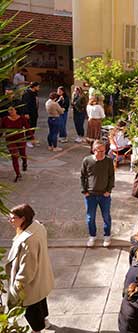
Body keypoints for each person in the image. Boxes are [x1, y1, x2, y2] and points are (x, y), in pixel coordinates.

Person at [6, 204, 54, 333]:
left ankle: (37, 329)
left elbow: (27, 267)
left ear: (23, 219)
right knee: (40, 300)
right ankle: (45, 322)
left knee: (30, 308)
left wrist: (17, 285)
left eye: (13, 218)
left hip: (30, 283)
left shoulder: (28, 240)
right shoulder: (37, 227)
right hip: (40, 277)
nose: (10, 221)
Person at [80, 140, 115, 247]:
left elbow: (111, 176)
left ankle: (107, 236)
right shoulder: (87, 160)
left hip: (104, 195)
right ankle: (92, 236)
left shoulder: (108, 161)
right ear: (93, 150)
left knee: (106, 216)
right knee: (90, 217)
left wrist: (109, 191)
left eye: (103, 151)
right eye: (98, 151)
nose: (101, 153)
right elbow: (83, 176)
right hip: (90, 195)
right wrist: (84, 191)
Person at [0, 106, 30, 182]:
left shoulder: (22, 118)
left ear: (16, 110)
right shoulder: (4, 119)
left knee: (22, 154)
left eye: (12, 110)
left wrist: (31, 138)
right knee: (14, 156)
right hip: (10, 141)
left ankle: (24, 162)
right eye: (9, 110)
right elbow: (1, 130)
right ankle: (18, 174)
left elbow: (27, 129)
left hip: (21, 140)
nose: (10, 112)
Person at [21, 81, 40, 147]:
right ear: (34, 87)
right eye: (38, 86)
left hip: (34, 112)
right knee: (29, 126)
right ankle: (27, 141)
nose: (39, 88)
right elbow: (25, 104)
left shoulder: (35, 93)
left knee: (33, 126)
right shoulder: (27, 93)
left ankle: (31, 139)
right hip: (29, 113)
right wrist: (26, 113)